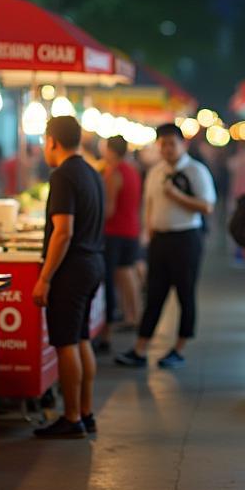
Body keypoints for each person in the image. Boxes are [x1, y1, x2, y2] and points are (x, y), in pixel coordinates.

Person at [114, 122, 216, 369]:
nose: (168, 149)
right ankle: (140, 349)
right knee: (154, 294)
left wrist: (177, 196)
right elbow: (148, 205)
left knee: (185, 293)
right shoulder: (155, 172)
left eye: (172, 144)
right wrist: (147, 233)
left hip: (186, 238)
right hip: (159, 239)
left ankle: (179, 348)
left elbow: (207, 206)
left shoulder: (196, 171)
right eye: (163, 144)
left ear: (183, 144)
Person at [31, 115, 105, 439]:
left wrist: (45, 277)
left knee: (66, 344)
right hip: (92, 263)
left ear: (52, 141)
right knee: (82, 339)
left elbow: (63, 232)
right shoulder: (92, 171)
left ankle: (72, 417)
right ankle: (86, 412)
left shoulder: (62, 175)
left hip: (71, 270)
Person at [101, 135, 142, 341]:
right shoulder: (132, 171)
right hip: (131, 229)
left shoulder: (114, 173)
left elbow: (109, 208)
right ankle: (132, 316)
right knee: (127, 272)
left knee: (112, 278)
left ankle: (109, 325)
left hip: (115, 231)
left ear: (110, 150)